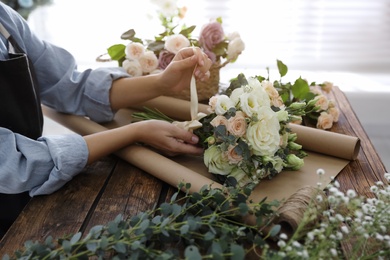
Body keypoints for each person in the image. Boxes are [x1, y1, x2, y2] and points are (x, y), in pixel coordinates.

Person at [0, 2, 212, 237]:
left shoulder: (4, 18)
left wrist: (163, 81)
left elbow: (71, 86)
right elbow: (15, 163)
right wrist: (135, 132)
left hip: (32, 198)